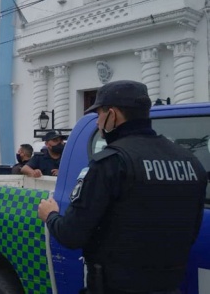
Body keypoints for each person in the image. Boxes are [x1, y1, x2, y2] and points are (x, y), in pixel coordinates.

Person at [38, 80, 207, 294]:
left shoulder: (110, 163)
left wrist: (50, 216)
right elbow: (191, 231)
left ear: (113, 114)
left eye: (99, 114)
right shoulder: (190, 161)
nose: (98, 123)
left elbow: (71, 235)